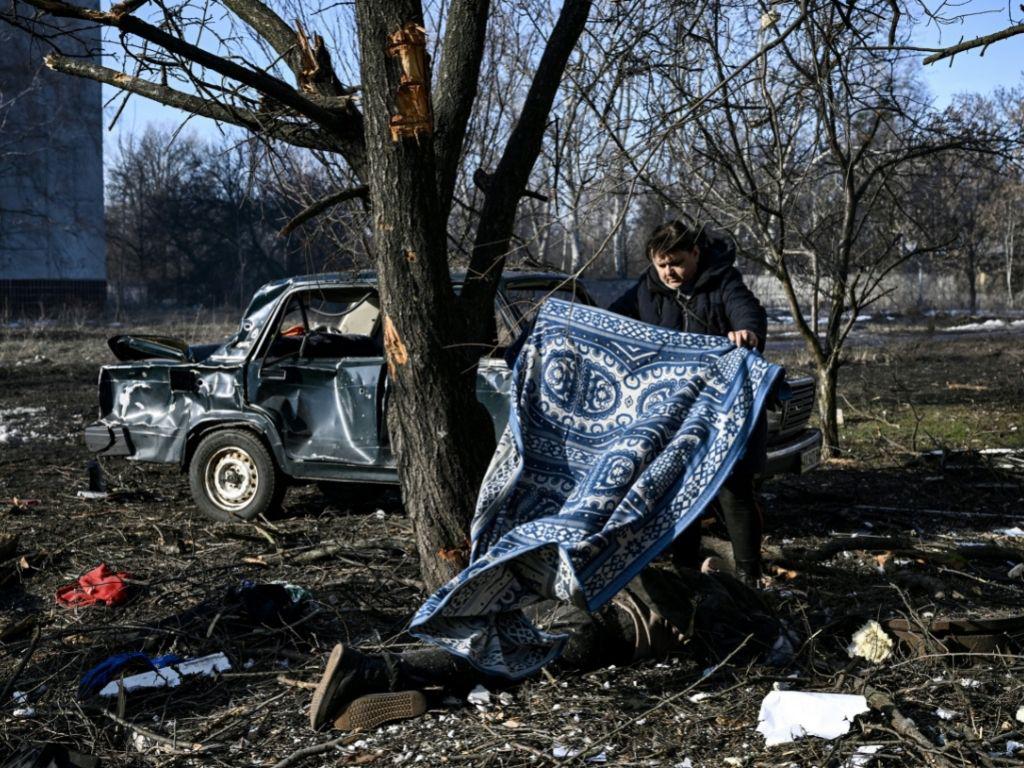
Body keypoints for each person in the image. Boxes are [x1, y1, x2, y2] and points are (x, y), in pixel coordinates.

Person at [309, 565, 780, 731]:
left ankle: (398, 682)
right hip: (606, 631)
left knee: (490, 649)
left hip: (577, 604)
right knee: (495, 663)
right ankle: (375, 673)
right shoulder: (716, 607)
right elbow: (739, 649)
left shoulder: (680, 580)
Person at [609, 220, 769, 587]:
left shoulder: (723, 281)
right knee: (679, 488)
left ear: (695, 253)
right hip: (674, 412)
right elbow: (611, 321)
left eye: (677, 262)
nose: (669, 272)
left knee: (733, 489)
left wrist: (747, 333)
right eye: (661, 264)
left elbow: (748, 311)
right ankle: (686, 574)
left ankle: (750, 578)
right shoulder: (646, 289)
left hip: (725, 408)